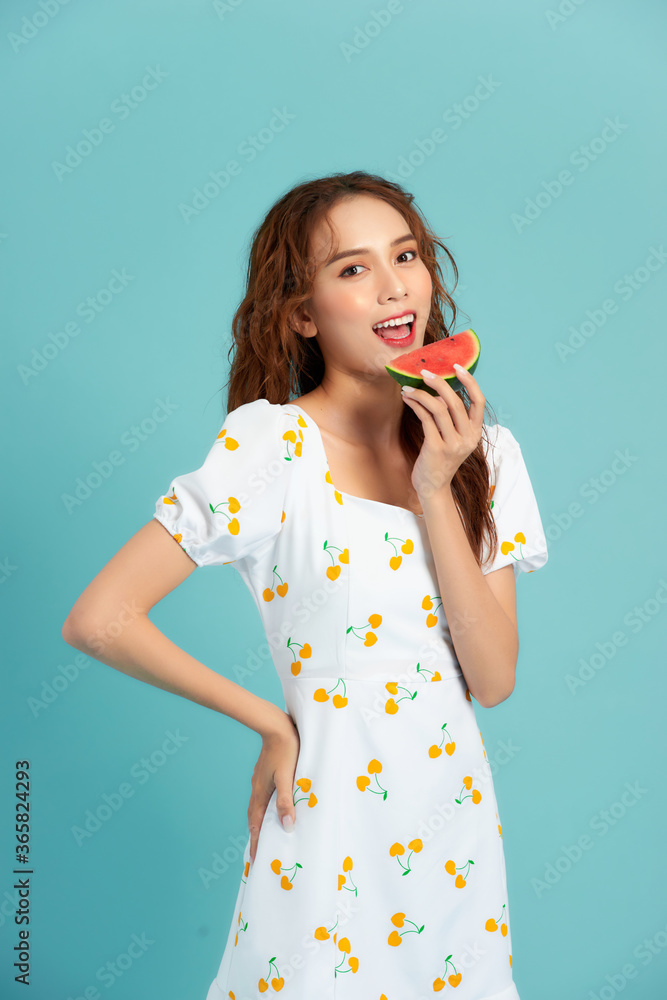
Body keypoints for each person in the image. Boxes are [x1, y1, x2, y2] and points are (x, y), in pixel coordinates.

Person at [62, 170, 548, 999]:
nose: (395, 285)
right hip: (325, 823)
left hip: (450, 831)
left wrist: (436, 487)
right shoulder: (271, 450)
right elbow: (100, 619)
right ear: (301, 313)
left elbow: (493, 680)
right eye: (352, 269)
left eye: (406, 255)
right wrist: (270, 723)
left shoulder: (482, 454)